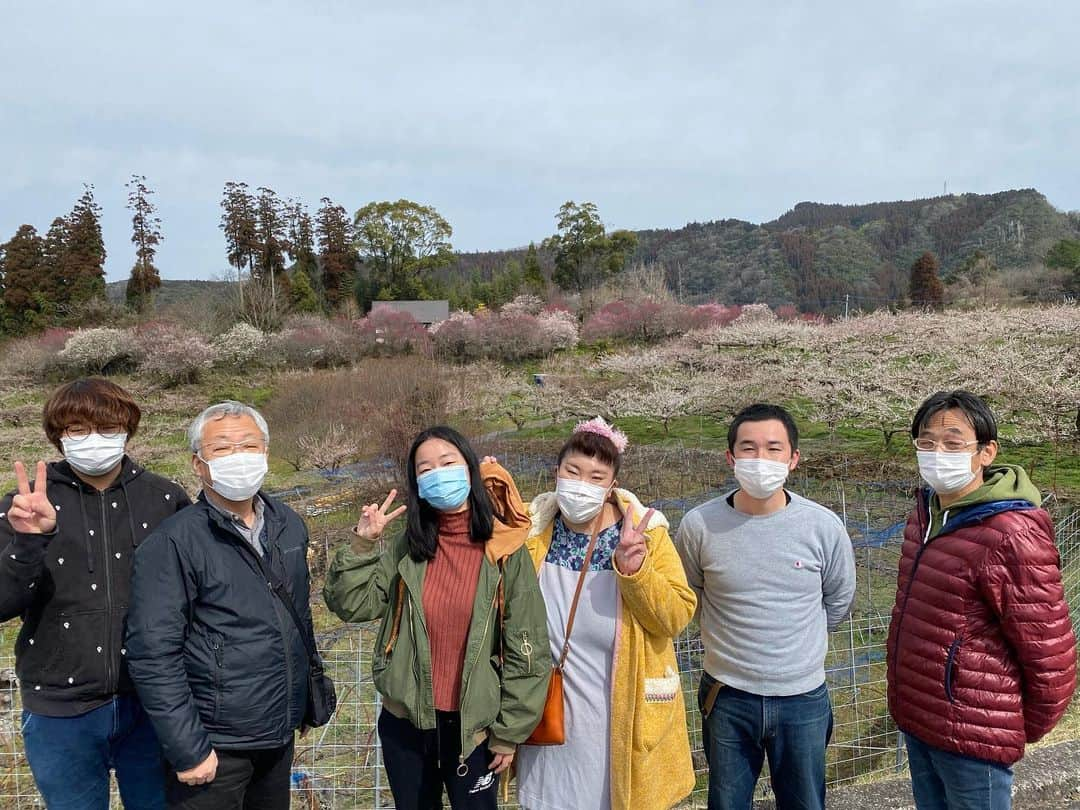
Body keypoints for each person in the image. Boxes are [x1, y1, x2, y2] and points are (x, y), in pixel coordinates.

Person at [323, 426, 550, 810]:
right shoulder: (407, 546)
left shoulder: (504, 550)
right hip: (406, 722)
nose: (437, 474)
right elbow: (354, 604)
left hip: (474, 728)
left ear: (469, 469)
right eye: (424, 469)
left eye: (447, 463)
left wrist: (510, 731)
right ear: (416, 483)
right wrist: (362, 544)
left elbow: (527, 647)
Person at [0, 378, 191, 810]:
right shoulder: (26, 504)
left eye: (107, 428)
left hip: (155, 704)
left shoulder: (165, 498)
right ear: (58, 436)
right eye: (77, 429)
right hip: (58, 710)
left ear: (128, 430)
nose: (94, 440)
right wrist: (29, 541)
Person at [887, 390, 1076, 810]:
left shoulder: (1011, 533)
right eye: (926, 442)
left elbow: (1050, 652)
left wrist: (1009, 726)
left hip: (975, 737)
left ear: (987, 452)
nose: (937, 453)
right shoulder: (926, 514)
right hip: (920, 721)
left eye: (953, 443)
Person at [125, 401, 315, 810]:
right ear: (198, 464)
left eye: (248, 445)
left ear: (265, 453)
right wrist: (187, 747)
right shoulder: (173, 542)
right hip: (214, 746)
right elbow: (152, 652)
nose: (238, 458)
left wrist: (305, 700)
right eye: (222, 449)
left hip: (276, 735)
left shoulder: (288, 524)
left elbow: (299, 618)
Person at [674, 403, 856, 810]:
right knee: (726, 801)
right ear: (730, 458)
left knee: (805, 802)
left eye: (773, 449)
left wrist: (795, 648)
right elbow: (690, 594)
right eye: (748, 448)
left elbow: (839, 600)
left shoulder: (823, 526)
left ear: (793, 458)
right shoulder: (699, 526)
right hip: (726, 695)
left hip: (803, 697)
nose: (761, 460)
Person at [516, 417, 697, 810]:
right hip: (548, 725)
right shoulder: (532, 534)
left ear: (611, 486)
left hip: (621, 727)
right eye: (573, 471)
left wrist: (636, 572)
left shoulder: (646, 534)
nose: (582, 484)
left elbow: (677, 616)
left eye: (596, 477)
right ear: (556, 473)